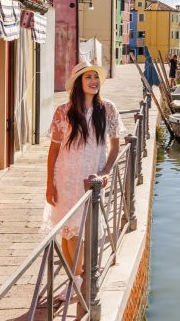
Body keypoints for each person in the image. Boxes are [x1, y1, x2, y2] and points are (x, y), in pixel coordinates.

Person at [45, 62, 127, 300]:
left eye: (96, 77)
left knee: (81, 230)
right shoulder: (63, 111)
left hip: (91, 179)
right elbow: (53, 150)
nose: (94, 81)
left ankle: (77, 278)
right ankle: (75, 278)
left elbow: (115, 146)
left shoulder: (108, 109)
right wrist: (50, 184)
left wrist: (106, 171)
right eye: (88, 77)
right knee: (67, 231)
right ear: (78, 83)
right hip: (66, 177)